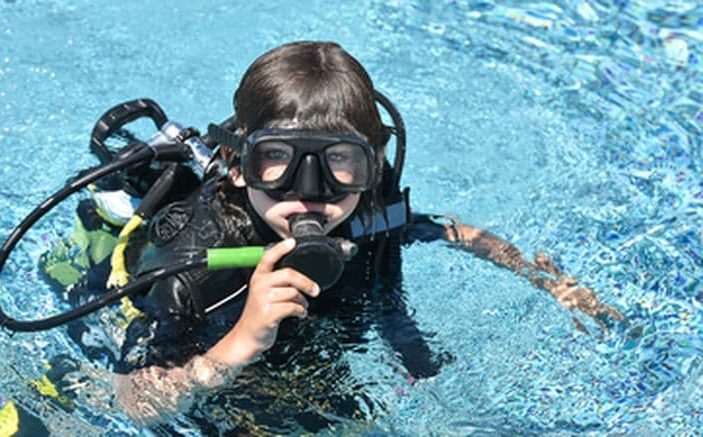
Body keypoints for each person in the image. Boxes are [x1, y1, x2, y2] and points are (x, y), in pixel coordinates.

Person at [50, 41, 623, 432]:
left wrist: (551, 281)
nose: (310, 192)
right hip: (202, 352)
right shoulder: (197, 256)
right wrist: (236, 348)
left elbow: (456, 232)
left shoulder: (363, 213)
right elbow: (136, 402)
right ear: (237, 161)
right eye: (276, 159)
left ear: (372, 164)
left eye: (339, 163)